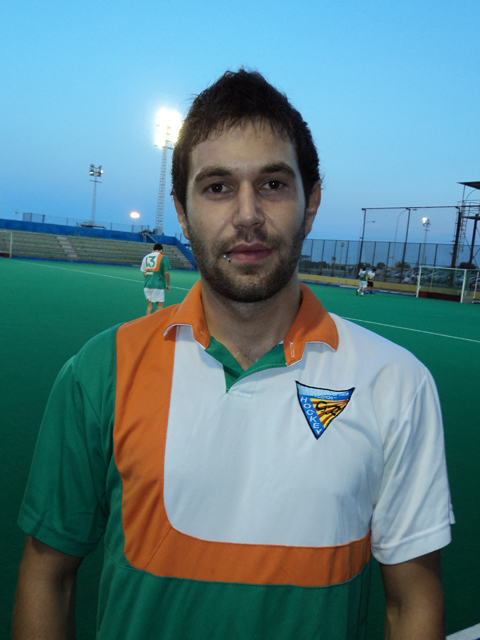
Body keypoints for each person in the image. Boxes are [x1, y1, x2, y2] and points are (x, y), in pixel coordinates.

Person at [13, 70, 453, 640]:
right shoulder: (98, 372)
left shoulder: (396, 382)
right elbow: (48, 575)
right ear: (181, 209)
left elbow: (411, 602)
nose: (247, 214)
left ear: (311, 202)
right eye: (218, 187)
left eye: (272, 184)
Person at [140, 243, 171, 314]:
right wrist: (168, 284)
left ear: (153, 249)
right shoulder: (163, 257)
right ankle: (156, 320)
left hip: (147, 285)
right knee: (160, 307)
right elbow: (166, 273)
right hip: (158, 285)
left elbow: (144, 272)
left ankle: (148, 320)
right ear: (161, 250)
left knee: (149, 307)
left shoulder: (146, 257)